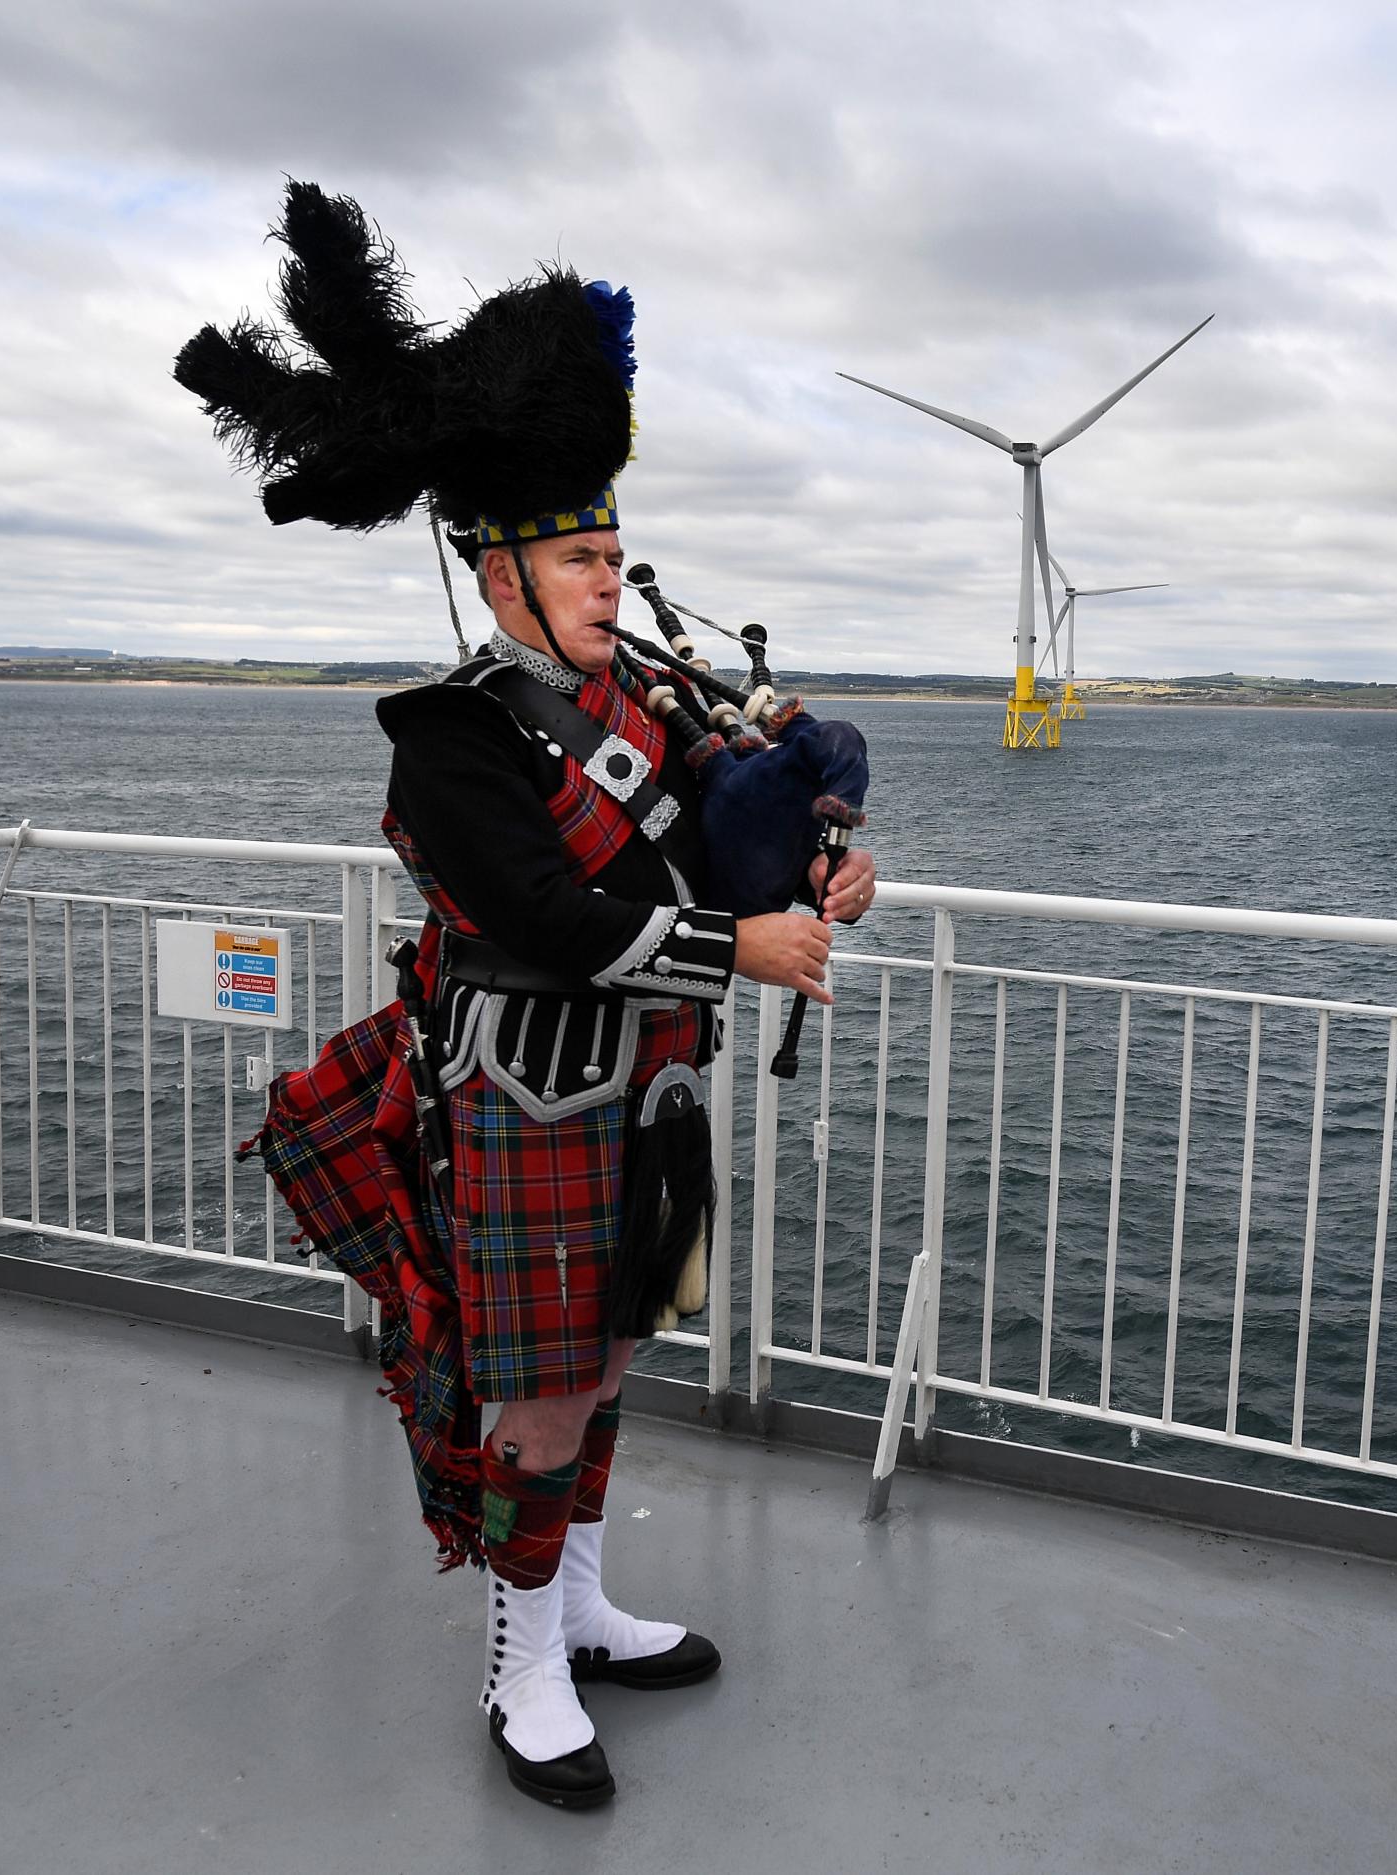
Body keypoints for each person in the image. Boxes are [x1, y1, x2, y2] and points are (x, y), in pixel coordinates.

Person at [177, 183, 876, 1811]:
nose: (608, 576)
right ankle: (521, 1661)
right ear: (498, 577)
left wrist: (835, 874)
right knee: (540, 1392)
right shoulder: (451, 740)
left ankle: (577, 1604)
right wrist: (745, 953)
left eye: (614, 549)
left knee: (616, 1356)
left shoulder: (662, 696)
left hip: (655, 1094)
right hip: (528, 1091)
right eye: (579, 555)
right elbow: (554, 919)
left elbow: (739, 834)